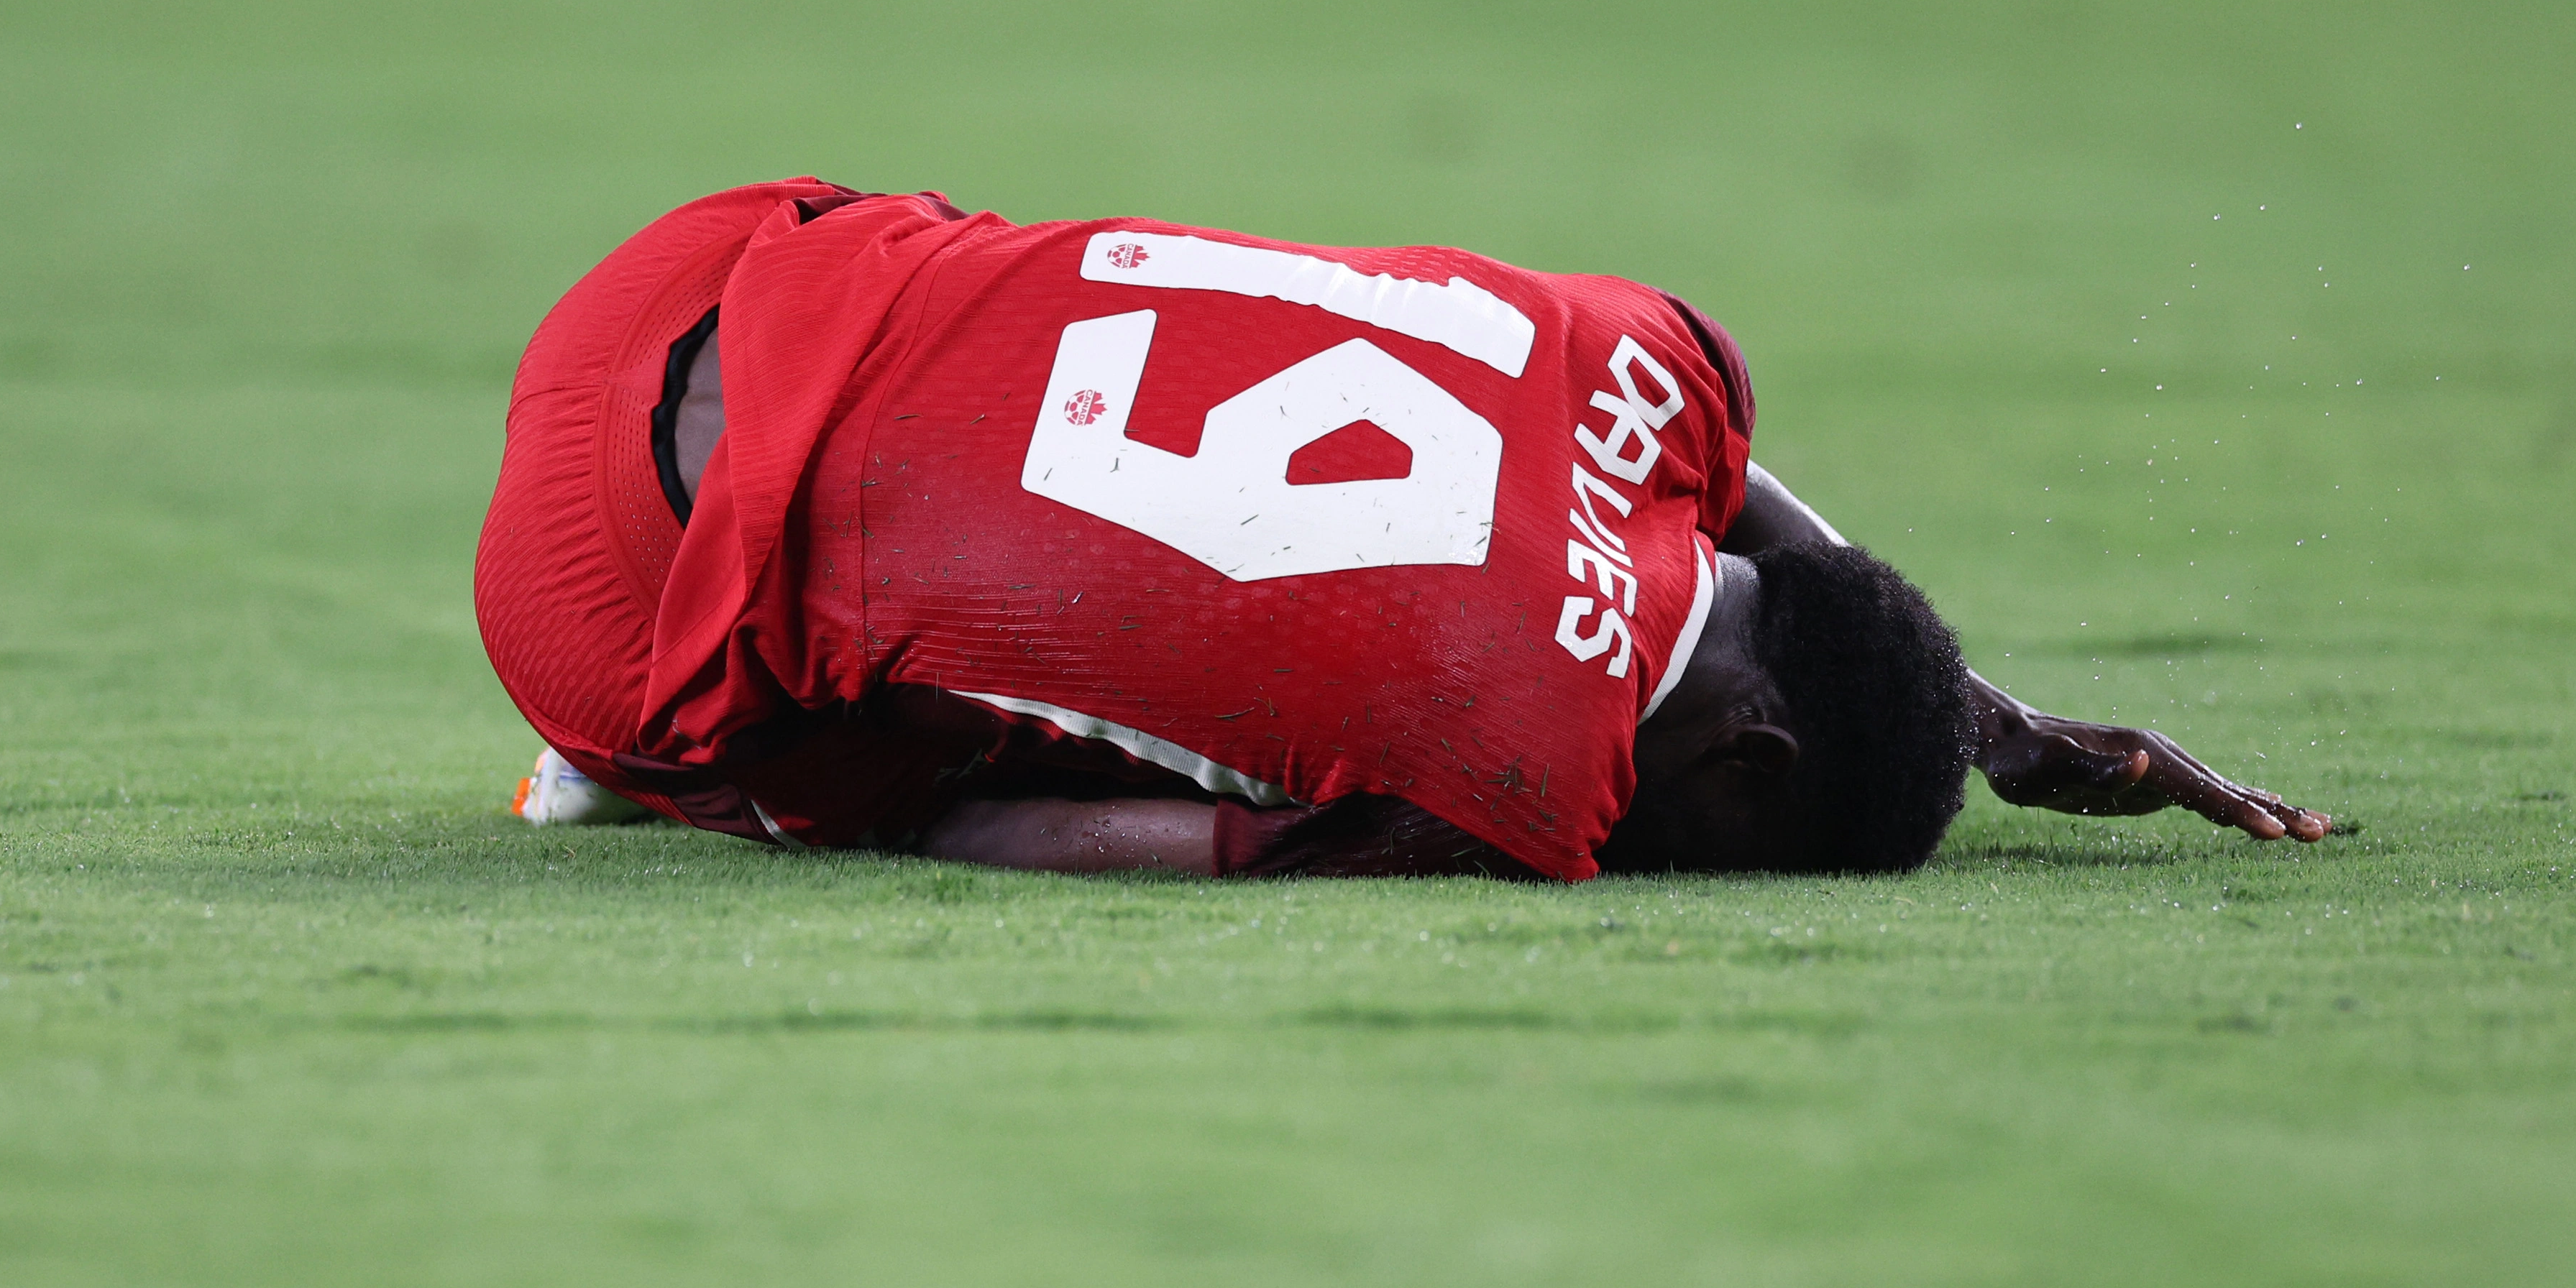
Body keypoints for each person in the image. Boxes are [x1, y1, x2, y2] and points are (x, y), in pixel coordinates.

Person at [479, 178, 2327, 880]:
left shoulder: (1654, 356)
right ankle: (632, 771)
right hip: (594, 594)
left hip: (715, 251)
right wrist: (908, 816)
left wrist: (1997, 722)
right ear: (1745, 769)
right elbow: (1178, 843)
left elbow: (1755, 501)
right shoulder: (1517, 783)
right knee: (911, 769)